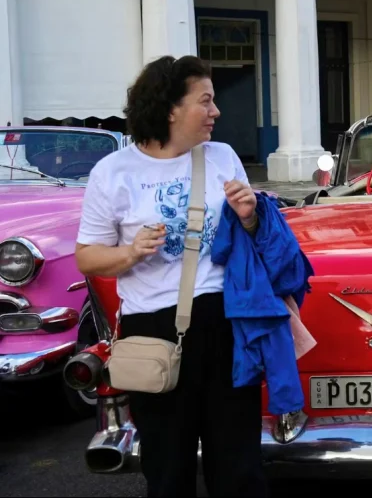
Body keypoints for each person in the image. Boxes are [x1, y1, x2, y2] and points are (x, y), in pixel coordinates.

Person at [74, 55, 269, 496]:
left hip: (226, 323)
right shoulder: (114, 172)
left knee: (239, 466)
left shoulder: (221, 157)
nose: (216, 111)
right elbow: (87, 257)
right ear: (170, 109)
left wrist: (250, 216)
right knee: (167, 468)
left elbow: (252, 241)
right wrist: (130, 252)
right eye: (206, 101)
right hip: (155, 331)